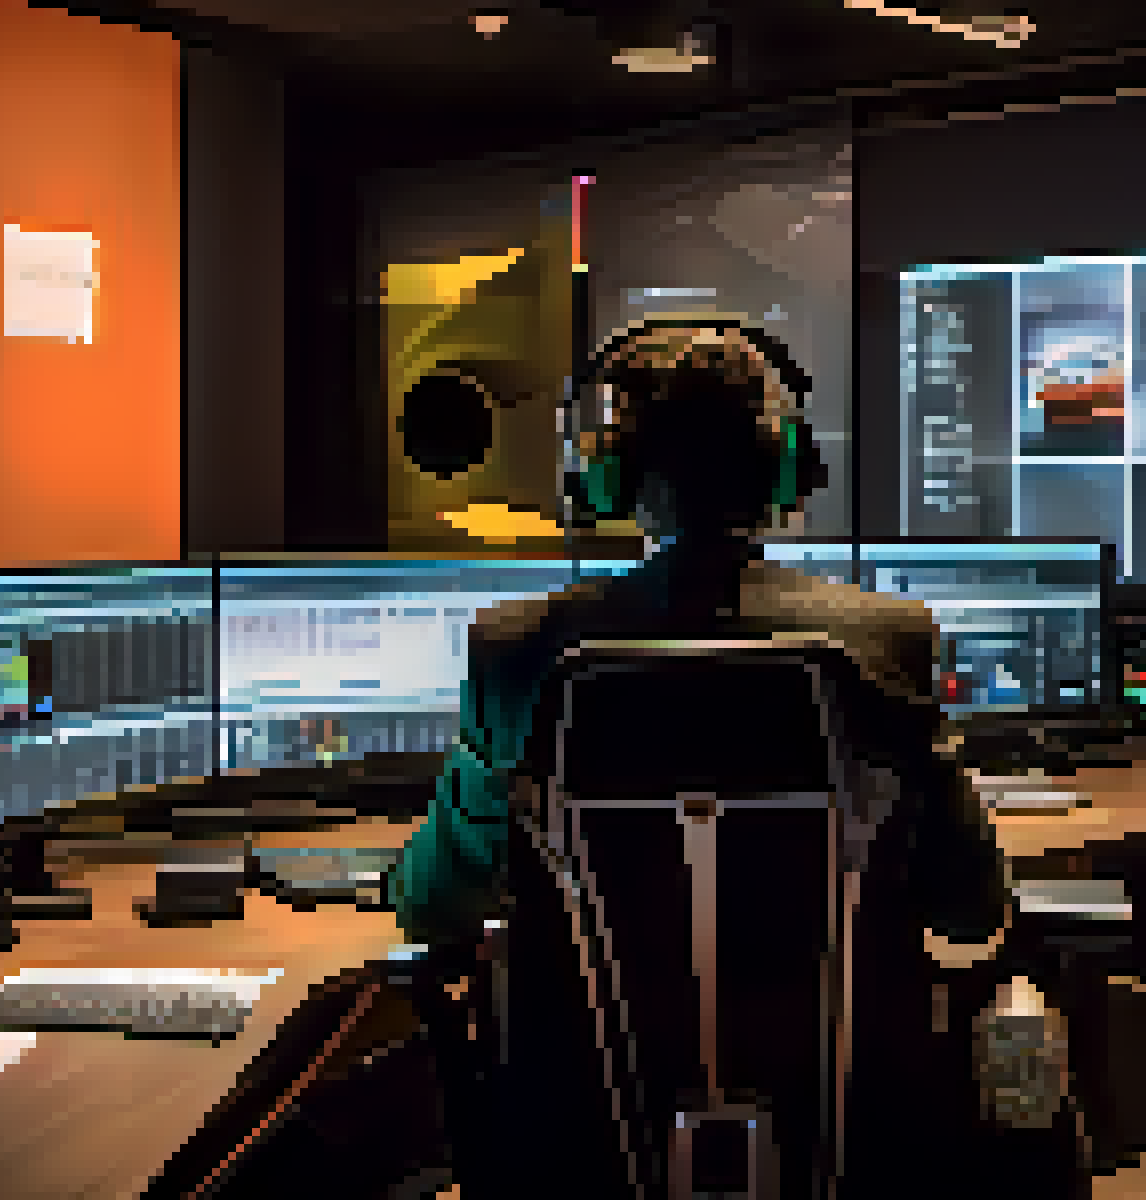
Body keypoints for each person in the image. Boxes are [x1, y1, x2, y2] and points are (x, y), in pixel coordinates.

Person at [389, 318, 1027, 1197]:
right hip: (858, 1145)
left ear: (606, 477)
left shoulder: (518, 653)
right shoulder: (888, 643)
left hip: (578, 1153)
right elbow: (970, 909)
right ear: (789, 470)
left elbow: (432, 907)